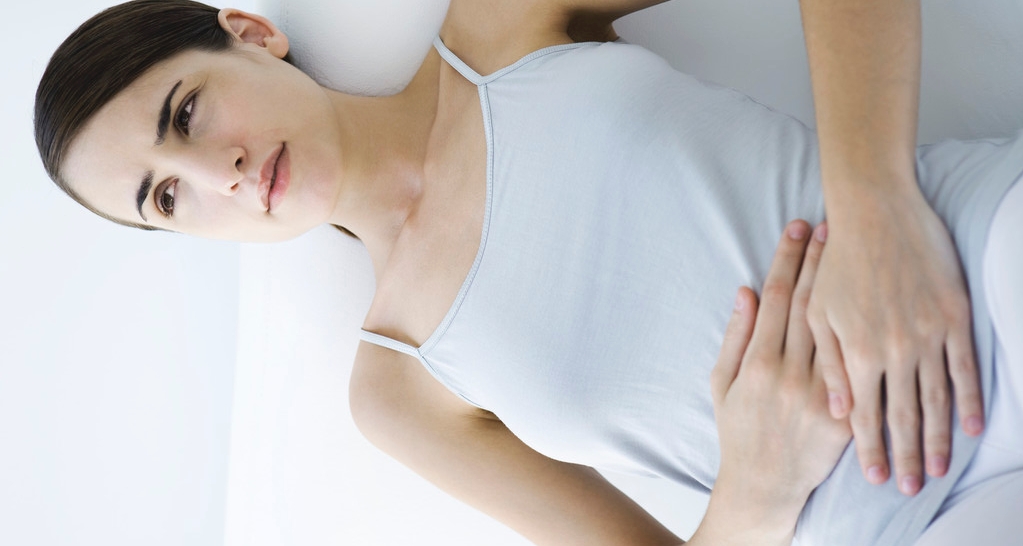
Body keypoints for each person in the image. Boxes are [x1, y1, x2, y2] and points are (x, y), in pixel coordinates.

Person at [34, 0, 1022, 543]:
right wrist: (762, 486)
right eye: (166, 198)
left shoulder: (498, 28)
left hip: (973, 265)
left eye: (188, 115)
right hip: (895, 522)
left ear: (250, 35)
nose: (220, 175)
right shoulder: (399, 388)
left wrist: (873, 200)